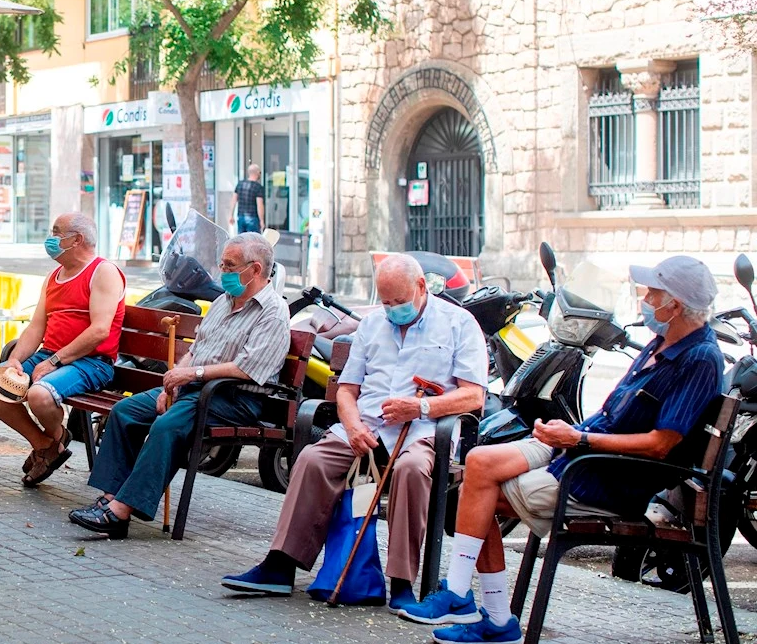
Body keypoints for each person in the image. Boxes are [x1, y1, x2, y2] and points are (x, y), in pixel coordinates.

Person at [399, 255, 724, 644]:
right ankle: (466, 599)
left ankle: (485, 611)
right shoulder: (661, 342)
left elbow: (661, 444)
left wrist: (579, 440)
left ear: (675, 304)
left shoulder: (699, 359)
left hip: (607, 476)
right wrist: (567, 432)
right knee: (479, 460)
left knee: (476, 495)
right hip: (581, 453)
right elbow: (611, 414)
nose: (646, 300)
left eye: (654, 294)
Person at [220, 253, 487, 604]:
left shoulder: (459, 323)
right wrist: (353, 425)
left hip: (422, 431)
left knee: (410, 470)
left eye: (399, 301)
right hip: (365, 428)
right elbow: (347, 390)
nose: (392, 310)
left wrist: (420, 406)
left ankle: (402, 582)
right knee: (314, 460)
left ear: (421, 287)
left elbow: (473, 396)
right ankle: (280, 565)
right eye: (386, 301)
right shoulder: (374, 324)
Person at [68, 232, 291, 539]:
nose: (223, 272)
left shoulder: (273, 311)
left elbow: (248, 369)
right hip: (198, 388)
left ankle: (120, 512)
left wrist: (192, 375)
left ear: (254, 270)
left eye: (229, 265)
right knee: (125, 411)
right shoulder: (222, 303)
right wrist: (169, 385)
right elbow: (195, 349)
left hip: (234, 397)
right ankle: (110, 497)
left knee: (167, 426)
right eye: (223, 264)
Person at [0, 213, 126, 486]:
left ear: (76, 239)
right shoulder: (54, 276)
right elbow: (36, 327)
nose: (50, 238)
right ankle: (46, 444)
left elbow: (99, 330)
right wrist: (15, 360)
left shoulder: (103, 272)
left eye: (57, 232)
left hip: (91, 362)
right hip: (51, 355)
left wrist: (55, 361)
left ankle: (50, 445)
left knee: (40, 395)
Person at [231, 163, 265, 234]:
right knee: (253, 241)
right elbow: (260, 205)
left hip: (241, 217)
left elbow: (233, 200)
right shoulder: (258, 187)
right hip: (253, 218)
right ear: (257, 173)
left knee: (242, 241)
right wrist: (261, 220)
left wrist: (231, 215)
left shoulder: (240, 184)